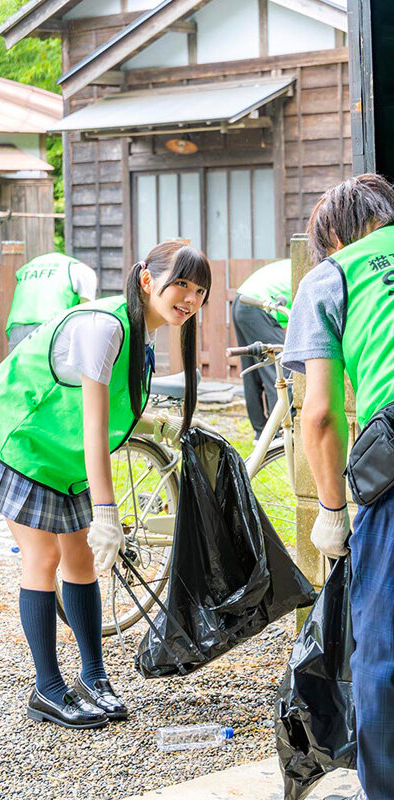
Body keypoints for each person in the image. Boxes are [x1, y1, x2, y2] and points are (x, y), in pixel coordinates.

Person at [0, 241, 211, 730]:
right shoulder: (104, 327)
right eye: (181, 284)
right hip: (16, 439)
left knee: (81, 558)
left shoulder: (142, 330)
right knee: (44, 557)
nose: (190, 298)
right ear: (147, 280)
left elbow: (110, 410)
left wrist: (150, 423)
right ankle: (47, 690)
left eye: (200, 291)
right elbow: (93, 428)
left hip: (58, 454)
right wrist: (107, 512)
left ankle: (94, 676)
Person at [282, 173, 394, 800]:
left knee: (381, 652)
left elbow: (320, 413)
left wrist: (331, 510)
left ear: (335, 236)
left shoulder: (331, 276)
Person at [232, 259, 292, 439]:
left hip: (243, 300)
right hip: (259, 306)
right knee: (280, 369)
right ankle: (281, 432)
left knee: (254, 372)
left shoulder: (292, 263)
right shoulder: (308, 268)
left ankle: (261, 431)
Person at [5, 252, 97, 351]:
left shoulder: (29, 266)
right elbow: (86, 311)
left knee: (19, 366)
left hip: (16, 325)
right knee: (52, 365)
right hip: (52, 326)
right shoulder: (83, 272)